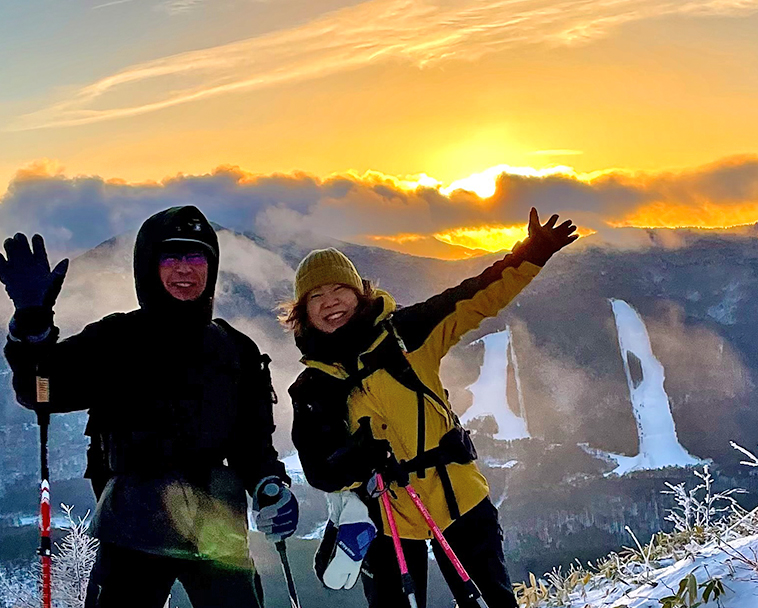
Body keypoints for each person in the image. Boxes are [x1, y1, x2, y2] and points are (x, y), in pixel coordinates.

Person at [0, 206, 299, 608]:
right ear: (148, 266)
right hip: (132, 531)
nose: (184, 269)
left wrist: (268, 483)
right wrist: (33, 327)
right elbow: (41, 391)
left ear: (211, 267)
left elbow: (252, 443)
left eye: (196, 257)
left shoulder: (236, 350)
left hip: (216, 533)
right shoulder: (115, 340)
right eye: (170, 256)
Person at [284, 207, 577, 608]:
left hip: (460, 498)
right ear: (302, 311)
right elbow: (320, 469)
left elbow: (474, 298)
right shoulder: (312, 386)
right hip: (386, 520)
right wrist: (358, 458)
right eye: (315, 296)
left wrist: (532, 253)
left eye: (339, 290)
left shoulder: (406, 334)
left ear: (359, 291)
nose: (330, 302)